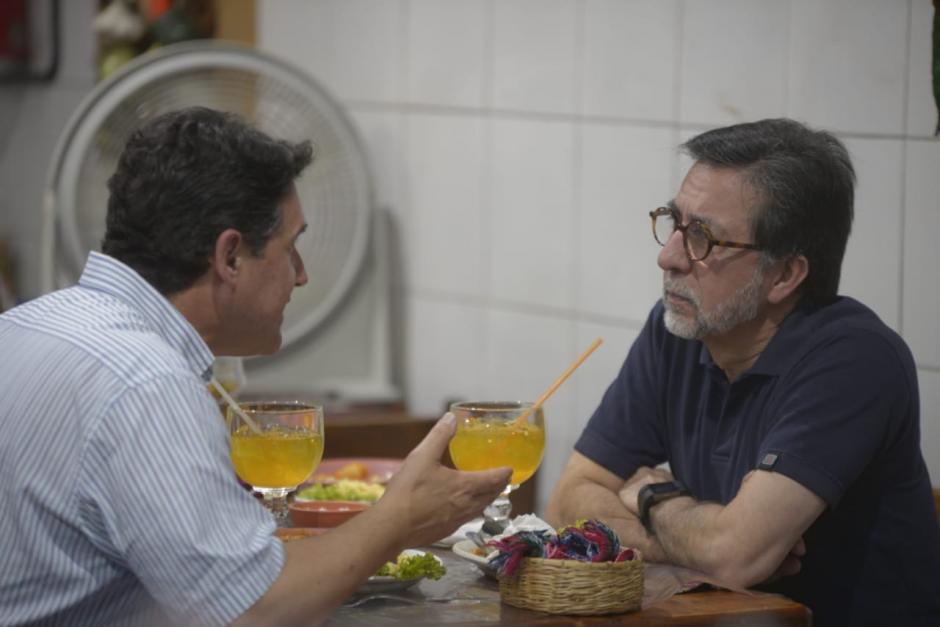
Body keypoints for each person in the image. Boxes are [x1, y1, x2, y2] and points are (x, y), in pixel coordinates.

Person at [0, 107, 511, 626]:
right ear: (231, 258)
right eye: (291, 247)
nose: (303, 275)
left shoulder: (25, 325)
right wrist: (400, 518)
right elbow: (254, 611)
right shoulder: (147, 384)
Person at [545, 118, 940, 627]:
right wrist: (690, 538)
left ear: (784, 274)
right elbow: (568, 498)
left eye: (703, 238)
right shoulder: (679, 329)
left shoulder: (855, 358)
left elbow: (735, 556)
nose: (668, 257)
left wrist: (651, 496)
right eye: (674, 222)